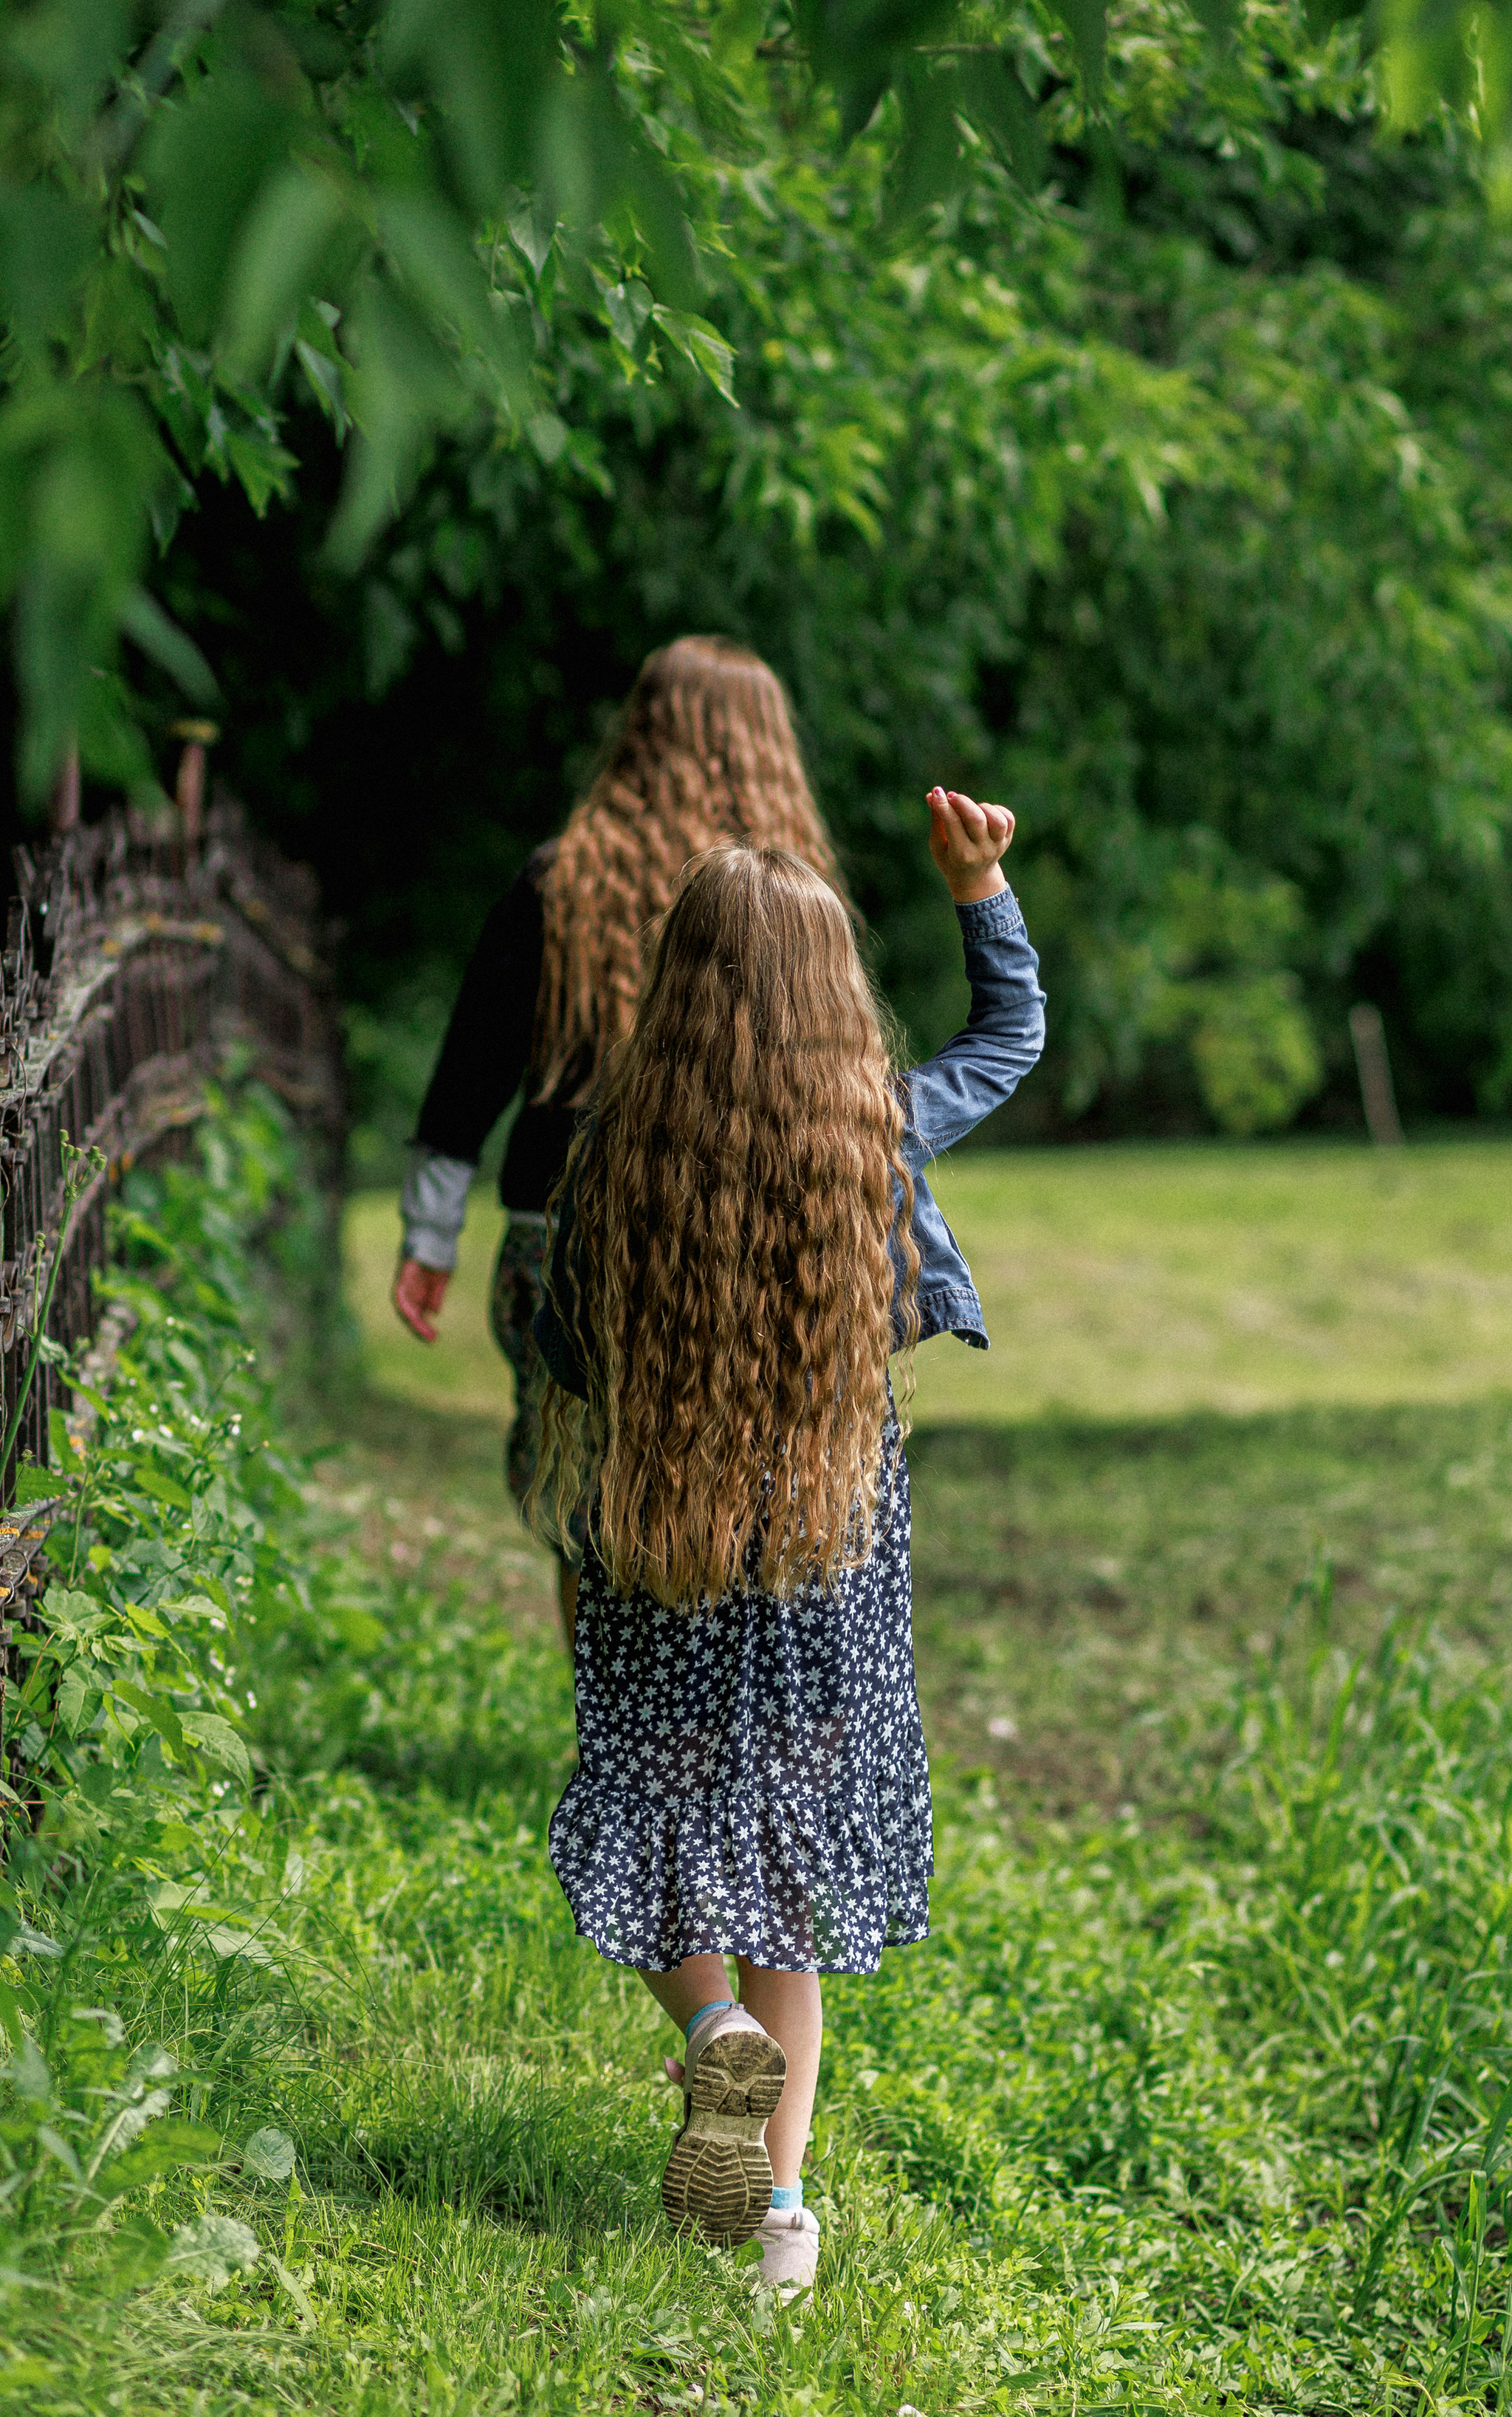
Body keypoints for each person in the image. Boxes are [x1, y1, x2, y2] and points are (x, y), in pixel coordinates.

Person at [528, 789, 1045, 2293]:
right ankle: (782, 2219)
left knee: (644, 1813)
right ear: (835, 998)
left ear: (672, 988)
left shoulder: (614, 1158)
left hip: (657, 1543)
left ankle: (711, 2032)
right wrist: (978, 885)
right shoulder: (872, 1131)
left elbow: (565, 1349)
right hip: (827, 1547)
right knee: (790, 1868)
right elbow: (1005, 1041)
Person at [392, 638, 845, 1641]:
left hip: (559, 1234)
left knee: (583, 1489)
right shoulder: (793, 901)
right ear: (771, 747)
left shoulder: (562, 884)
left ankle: (610, 1731)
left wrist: (430, 1239)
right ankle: (703, 1731)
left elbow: (471, 1069)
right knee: (732, 1482)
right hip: (746, 1236)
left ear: (638, 734)